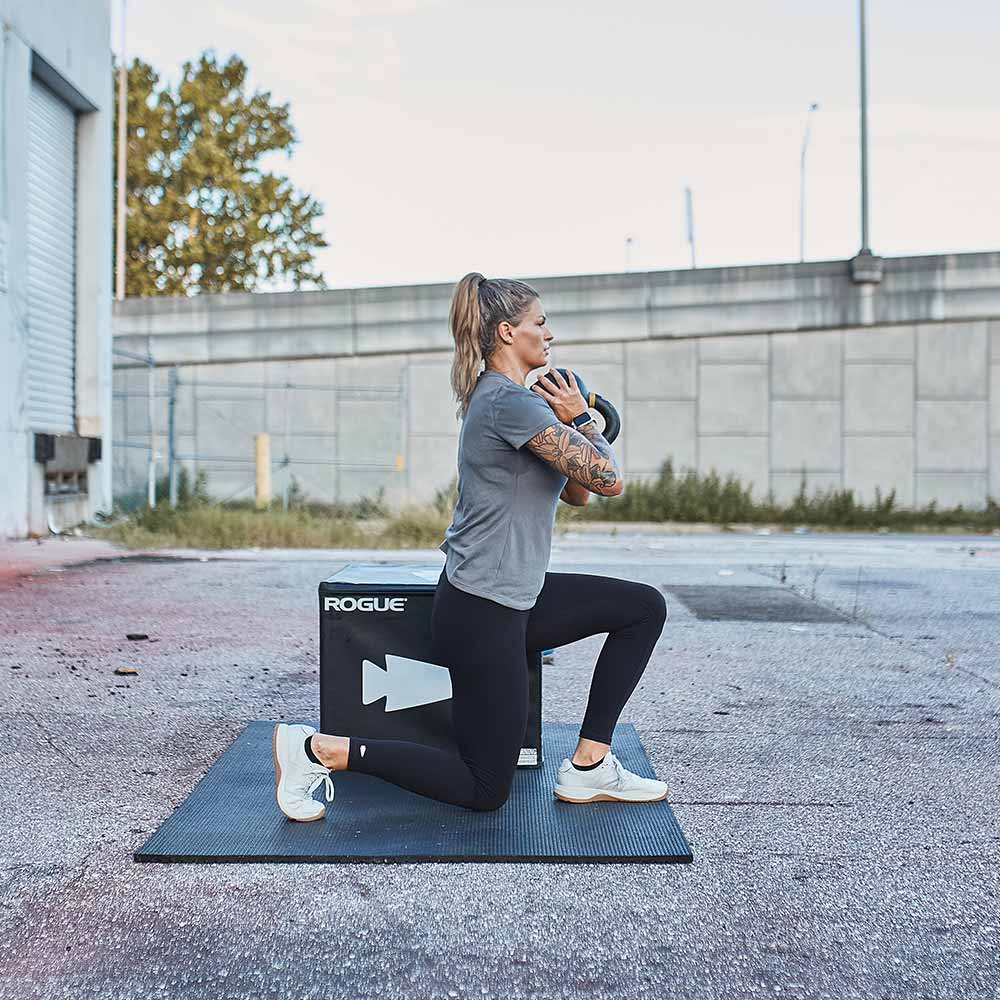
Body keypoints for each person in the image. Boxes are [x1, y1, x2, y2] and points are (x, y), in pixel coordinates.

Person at [272, 272, 669, 821]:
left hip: (514, 597)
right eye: (540, 323)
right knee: (483, 788)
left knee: (642, 608)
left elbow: (577, 492)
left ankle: (590, 765)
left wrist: (572, 425)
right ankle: (316, 751)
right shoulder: (508, 403)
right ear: (507, 332)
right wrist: (582, 420)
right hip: (485, 611)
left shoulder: (520, 406)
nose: (549, 334)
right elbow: (608, 480)